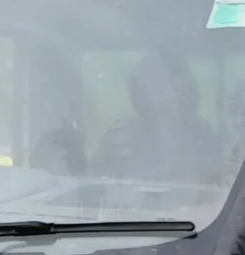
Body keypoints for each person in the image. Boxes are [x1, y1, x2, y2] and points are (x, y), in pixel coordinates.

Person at [93, 53, 221, 184]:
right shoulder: (117, 138)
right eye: (147, 84)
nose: (152, 93)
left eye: (160, 83)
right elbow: (93, 187)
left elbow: (218, 187)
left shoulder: (203, 137)